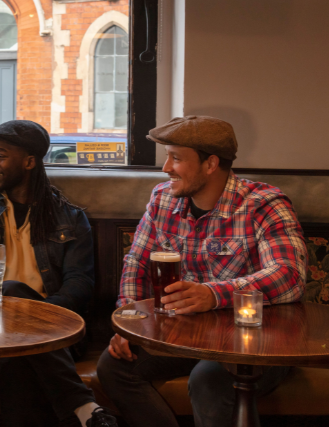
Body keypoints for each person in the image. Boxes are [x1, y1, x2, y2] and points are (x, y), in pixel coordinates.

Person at [97, 115, 308, 427]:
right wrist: (129, 324)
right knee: (114, 367)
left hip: (254, 341)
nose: (166, 167)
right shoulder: (163, 198)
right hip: (185, 334)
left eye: (176, 158)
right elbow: (137, 264)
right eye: (167, 156)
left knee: (209, 380)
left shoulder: (264, 203)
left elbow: (289, 276)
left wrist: (213, 295)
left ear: (210, 164)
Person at [0, 120, 117, 427]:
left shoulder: (69, 217)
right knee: (11, 306)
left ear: (30, 162)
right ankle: (83, 406)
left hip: (57, 332)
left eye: (1, 155)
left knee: (16, 347)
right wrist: (8, 316)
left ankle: (79, 404)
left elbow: (80, 284)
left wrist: (32, 318)